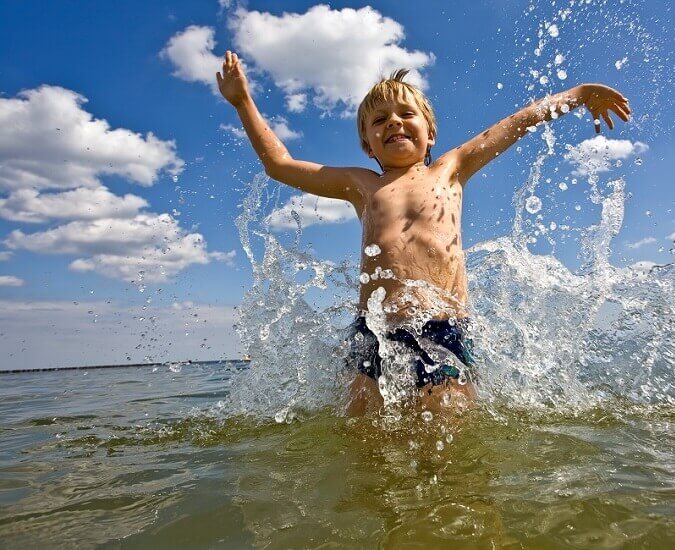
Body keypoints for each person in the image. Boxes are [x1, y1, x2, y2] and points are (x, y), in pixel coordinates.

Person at [216, 51, 630, 414]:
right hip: (374, 331)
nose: (394, 121)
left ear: (430, 132)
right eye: (379, 120)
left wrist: (577, 96)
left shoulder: (450, 169)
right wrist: (242, 102)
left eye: (406, 114)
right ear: (368, 146)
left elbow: (517, 122)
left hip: (443, 329)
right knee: (364, 442)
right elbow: (280, 164)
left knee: (447, 444)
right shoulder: (361, 185)